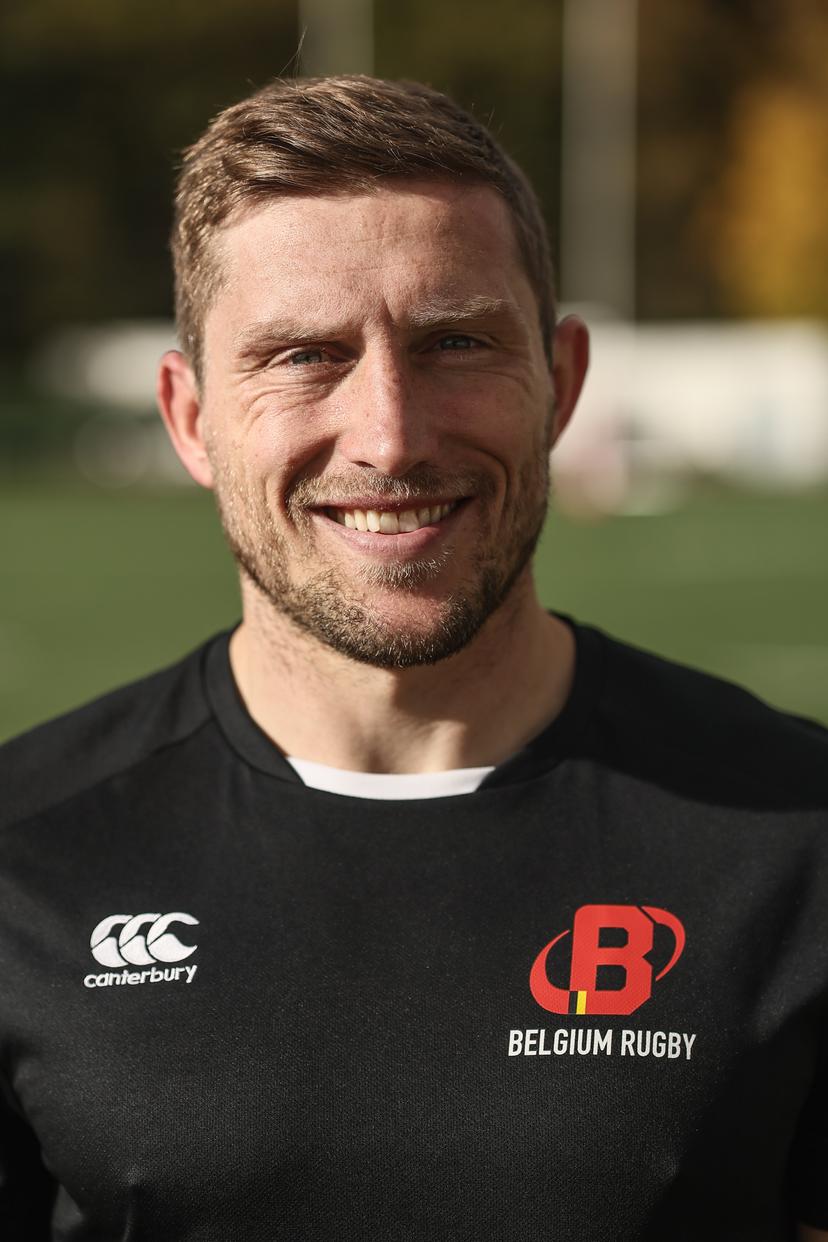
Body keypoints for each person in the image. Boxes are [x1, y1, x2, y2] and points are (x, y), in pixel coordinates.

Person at [1, 74, 827, 1242]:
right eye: (302, 355)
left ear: (565, 384)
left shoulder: (800, 842)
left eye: (456, 342)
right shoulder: (24, 853)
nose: (391, 433)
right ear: (190, 419)